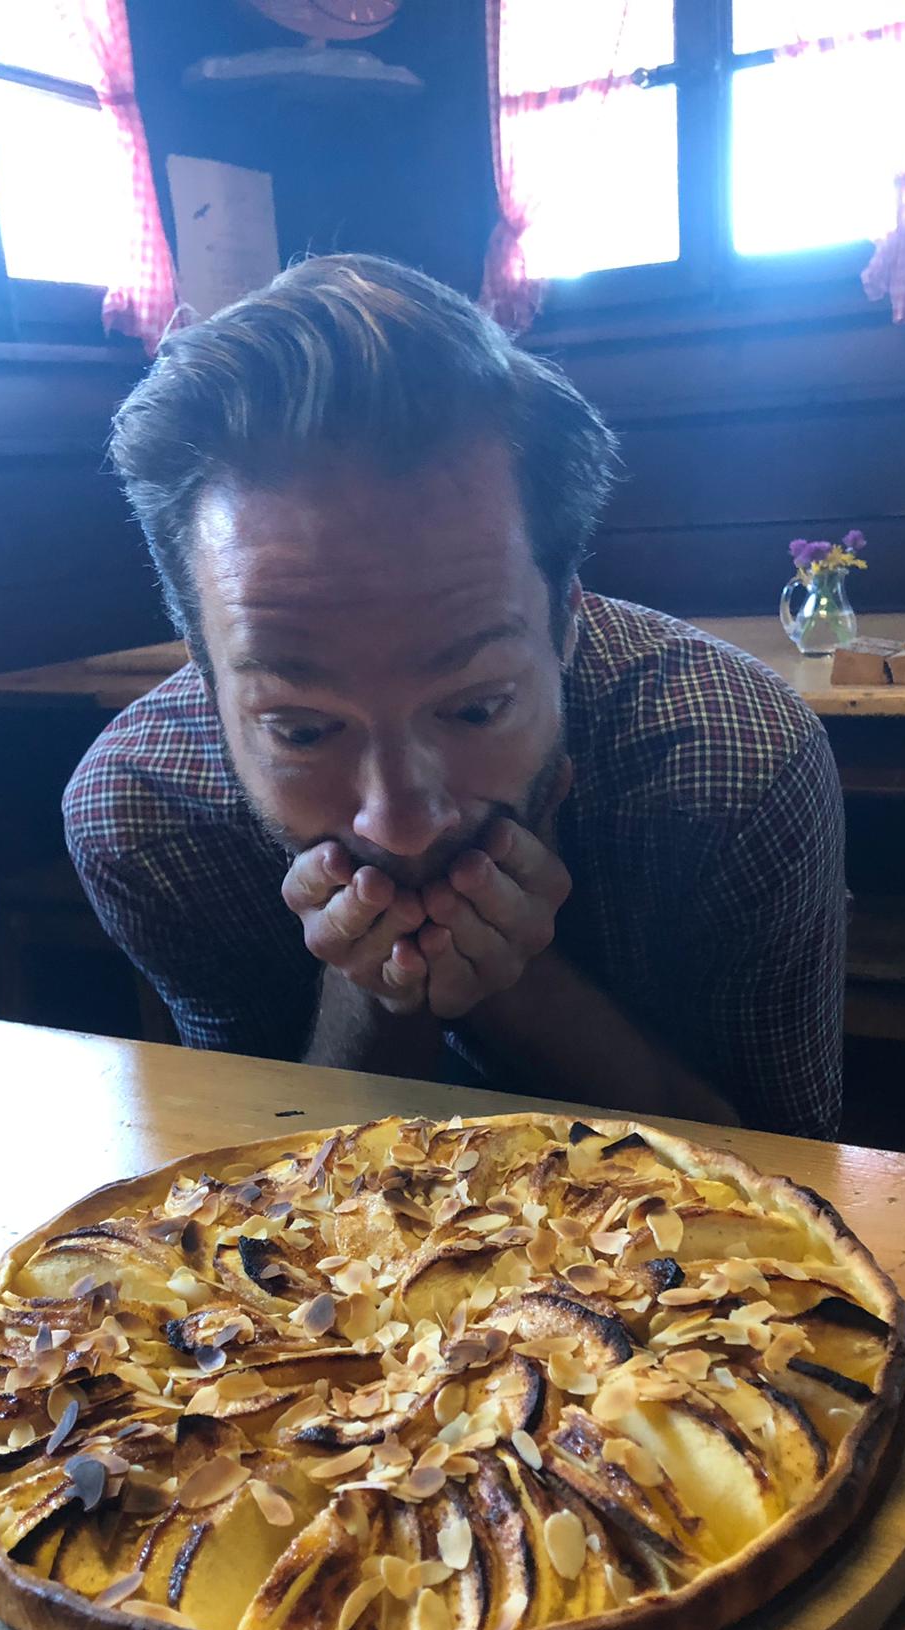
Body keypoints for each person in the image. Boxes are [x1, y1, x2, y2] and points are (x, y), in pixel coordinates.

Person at [64, 254, 846, 1138]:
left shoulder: (740, 760)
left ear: (566, 625)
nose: (401, 826)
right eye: (304, 730)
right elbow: (265, 1189)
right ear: (206, 679)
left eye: (476, 708)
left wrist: (515, 982)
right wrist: (386, 988)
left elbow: (791, 1173)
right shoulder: (146, 813)